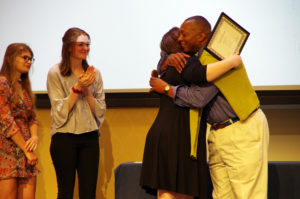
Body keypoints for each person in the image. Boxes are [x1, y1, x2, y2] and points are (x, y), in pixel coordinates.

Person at [150, 16, 269, 199]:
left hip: (242, 128)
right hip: (217, 133)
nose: (180, 39)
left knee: (247, 194)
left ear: (201, 36)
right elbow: (171, 65)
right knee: (221, 195)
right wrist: (167, 60)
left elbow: (198, 98)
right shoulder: (197, 59)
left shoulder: (219, 55)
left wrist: (166, 89)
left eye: (184, 34)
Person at [140, 27, 241, 199]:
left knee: (169, 193)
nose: (184, 40)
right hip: (177, 135)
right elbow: (200, 84)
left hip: (172, 133)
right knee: (174, 193)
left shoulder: (170, 66)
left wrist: (165, 62)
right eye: (181, 38)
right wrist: (232, 61)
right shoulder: (186, 64)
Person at [47, 27, 106, 199]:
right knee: (65, 191)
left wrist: (87, 90)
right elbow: (59, 113)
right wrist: (77, 88)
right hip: (64, 138)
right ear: (69, 47)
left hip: (89, 137)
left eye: (88, 44)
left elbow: (101, 109)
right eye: (81, 44)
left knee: (88, 193)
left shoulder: (95, 73)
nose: (86, 48)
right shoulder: (55, 73)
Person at [0, 43, 39, 199]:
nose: (29, 61)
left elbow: (32, 118)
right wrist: (27, 150)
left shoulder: (23, 87)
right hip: (7, 151)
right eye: (25, 58)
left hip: (25, 153)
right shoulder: (3, 83)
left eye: (31, 59)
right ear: (11, 59)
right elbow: (6, 120)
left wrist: (34, 137)